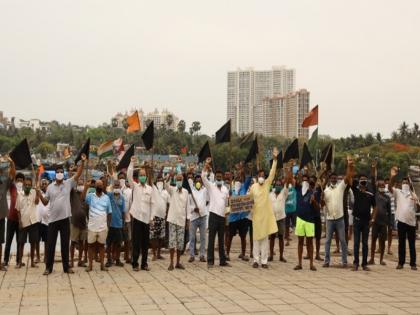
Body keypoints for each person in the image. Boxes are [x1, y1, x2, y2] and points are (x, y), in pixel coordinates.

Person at [37, 154, 86, 275]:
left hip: (65, 219)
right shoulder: (49, 187)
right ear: (55, 174)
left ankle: (66, 267)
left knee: (65, 244)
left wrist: (83, 162)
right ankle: (48, 268)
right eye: (57, 172)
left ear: (63, 174)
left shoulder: (68, 183)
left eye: (61, 172)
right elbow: (45, 202)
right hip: (52, 220)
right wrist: (38, 193)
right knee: (51, 245)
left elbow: (78, 174)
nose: (59, 173)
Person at [249, 147, 279, 269]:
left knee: (265, 240)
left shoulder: (267, 184)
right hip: (256, 216)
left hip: (265, 217)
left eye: (263, 175)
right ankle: (256, 260)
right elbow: (249, 200)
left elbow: (272, 172)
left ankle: (264, 261)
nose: (262, 177)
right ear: (257, 176)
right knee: (256, 240)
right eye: (260, 175)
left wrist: (275, 159)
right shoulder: (253, 187)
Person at [321, 164, 352, 268]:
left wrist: (349, 164)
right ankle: (326, 261)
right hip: (329, 219)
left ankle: (344, 261)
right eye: (332, 178)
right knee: (328, 241)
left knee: (343, 240)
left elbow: (347, 177)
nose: (334, 179)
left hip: (340, 219)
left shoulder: (341, 187)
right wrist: (321, 199)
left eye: (335, 178)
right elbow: (322, 205)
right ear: (329, 179)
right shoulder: (325, 191)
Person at [201, 158, 230, 268]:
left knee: (221, 240)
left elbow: (227, 204)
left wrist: (227, 216)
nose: (218, 178)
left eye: (220, 177)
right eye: (217, 176)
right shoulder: (211, 186)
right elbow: (203, 177)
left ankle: (222, 261)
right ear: (215, 177)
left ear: (222, 178)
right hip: (213, 215)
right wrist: (206, 165)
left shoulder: (225, 189)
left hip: (222, 217)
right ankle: (210, 261)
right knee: (211, 239)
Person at [389, 167, 418, 270]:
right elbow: (389, 188)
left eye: (407, 182)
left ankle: (413, 264)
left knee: (412, 244)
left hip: (411, 222)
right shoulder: (398, 192)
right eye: (404, 182)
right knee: (401, 243)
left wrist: (416, 201)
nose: (405, 183)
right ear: (401, 184)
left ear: (409, 184)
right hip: (401, 221)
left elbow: (418, 208)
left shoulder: (414, 194)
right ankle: (401, 263)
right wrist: (392, 176)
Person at [128, 156, 154, 272]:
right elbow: (129, 175)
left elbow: (153, 204)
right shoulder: (135, 187)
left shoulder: (150, 189)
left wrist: (152, 217)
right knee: (136, 242)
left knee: (145, 243)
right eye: (141, 175)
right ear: (138, 177)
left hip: (146, 219)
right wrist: (132, 163)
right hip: (137, 218)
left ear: (146, 177)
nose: (143, 177)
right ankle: (135, 263)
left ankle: (144, 264)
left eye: (144, 175)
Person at [350, 159, 376, 271]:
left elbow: (375, 207)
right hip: (356, 220)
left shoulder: (371, 193)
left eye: (365, 180)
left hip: (367, 221)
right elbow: (350, 180)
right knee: (356, 243)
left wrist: (373, 218)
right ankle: (356, 263)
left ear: (367, 181)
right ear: (359, 181)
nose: (363, 182)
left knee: (365, 243)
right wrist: (351, 166)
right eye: (361, 180)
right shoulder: (355, 190)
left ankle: (364, 264)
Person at [294, 169, 321, 271]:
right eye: (303, 180)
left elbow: (318, 208)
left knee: (310, 242)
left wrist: (314, 201)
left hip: (310, 220)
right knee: (300, 241)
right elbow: (292, 179)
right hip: (300, 219)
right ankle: (299, 263)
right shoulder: (298, 188)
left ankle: (311, 264)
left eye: (307, 180)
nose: (305, 181)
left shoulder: (313, 192)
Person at [84, 179, 112, 272]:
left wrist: (108, 225)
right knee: (90, 246)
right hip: (92, 226)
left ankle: (102, 265)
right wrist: (86, 187)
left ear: (103, 186)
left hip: (102, 227)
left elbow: (109, 213)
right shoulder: (90, 196)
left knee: (101, 246)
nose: (99, 186)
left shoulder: (107, 198)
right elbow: (83, 200)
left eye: (101, 185)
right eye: (97, 185)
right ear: (95, 186)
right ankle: (90, 265)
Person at [226, 166, 252, 262]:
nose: (238, 181)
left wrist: (243, 172)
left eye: (239, 179)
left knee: (243, 236)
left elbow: (249, 179)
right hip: (233, 218)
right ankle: (227, 253)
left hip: (243, 217)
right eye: (236, 179)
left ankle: (243, 254)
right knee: (230, 236)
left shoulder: (243, 188)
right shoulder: (231, 189)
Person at [165, 173, 189, 270]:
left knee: (180, 243)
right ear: (175, 180)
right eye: (177, 179)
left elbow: (187, 206)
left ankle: (178, 262)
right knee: (172, 242)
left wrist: (188, 220)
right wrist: (169, 176)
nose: (179, 181)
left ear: (182, 181)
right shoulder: (172, 190)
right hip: (172, 219)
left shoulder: (186, 192)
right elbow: (166, 184)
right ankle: (171, 262)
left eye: (180, 179)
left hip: (181, 220)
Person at [16, 177, 40, 268]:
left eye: (29, 185)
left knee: (33, 242)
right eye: (26, 185)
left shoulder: (33, 192)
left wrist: (38, 193)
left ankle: (32, 263)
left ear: (31, 185)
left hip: (33, 221)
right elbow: (18, 210)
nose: (27, 186)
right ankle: (19, 262)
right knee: (21, 243)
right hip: (23, 222)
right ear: (23, 185)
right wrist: (19, 222)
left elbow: (37, 202)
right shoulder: (20, 195)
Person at [369, 177, 391, 266]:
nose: (382, 186)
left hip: (383, 222)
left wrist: (390, 223)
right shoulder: (374, 195)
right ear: (377, 186)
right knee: (373, 240)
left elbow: (389, 211)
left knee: (382, 241)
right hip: (375, 222)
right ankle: (372, 259)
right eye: (380, 185)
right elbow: (373, 181)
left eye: (383, 185)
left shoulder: (387, 197)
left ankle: (381, 259)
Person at [269, 174, 291, 263]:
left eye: (279, 185)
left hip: (281, 218)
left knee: (281, 237)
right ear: (274, 186)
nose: (278, 186)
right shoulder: (270, 194)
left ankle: (281, 256)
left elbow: (287, 183)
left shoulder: (284, 193)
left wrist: (288, 172)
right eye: (276, 184)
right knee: (272, 237)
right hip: (272, 218)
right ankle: (271, 255)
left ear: (281, 186)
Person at [2, 160, 19, 270]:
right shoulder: (10, 185)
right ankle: (5, 261)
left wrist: (12, 163)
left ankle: (17, 261)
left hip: (16, 219)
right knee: (8, 241)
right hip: (10, 218)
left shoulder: (7, 183)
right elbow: (12, 174)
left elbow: (13, 174)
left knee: (18, 241)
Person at [187, 174, 208, 263]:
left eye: (200, 181)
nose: (198, 182)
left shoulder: (205, 190)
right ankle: (192, 255)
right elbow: (188, 205)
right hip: (193, 217)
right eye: (197, 181)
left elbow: (207, 201)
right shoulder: (191, 192)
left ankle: (202, 255)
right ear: (194, 182)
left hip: (203, 216)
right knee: (192, 237)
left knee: (203, 237)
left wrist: (202, 208)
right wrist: (193, 209)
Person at [105, 180, 126, 268]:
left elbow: (123, 212)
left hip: (119, 224)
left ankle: (117, 259)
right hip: (110, 224)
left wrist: (123, 224)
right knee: (109, 243)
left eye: (118, 186)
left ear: (120, 187)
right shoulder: (109, 196)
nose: (116, 187)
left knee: (118, 243)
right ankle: (109, 260)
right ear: (113, 186)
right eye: (115, 186)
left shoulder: (122, 198)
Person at [70, 178, 88, 268]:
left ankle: (80, 260)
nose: (80, 186)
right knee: (73, 242)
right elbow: (70, 185)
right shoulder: (73, 194)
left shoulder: (86, 195)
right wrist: (72, 174)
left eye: (82, 184)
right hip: (74, 222)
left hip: (83, 222)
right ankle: (72, 261)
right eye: (79, 184)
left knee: (82, 242)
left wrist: (86, 187)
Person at [150, 175, 169, 261]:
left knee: (161, 236)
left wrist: (167, 213)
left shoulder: (166, 192)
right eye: (158, 180)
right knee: (154, 236)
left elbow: (168, 203)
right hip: (154, 216)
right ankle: (154, 253)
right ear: (156, 181)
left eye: (161, 180)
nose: (160, 181)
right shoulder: (153, 189)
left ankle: (158, 254)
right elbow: (150, 180)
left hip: (163, 216)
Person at [118, 172, 132, 263]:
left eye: (123, 178)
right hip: (117, 220)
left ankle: (127, 257)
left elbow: (131, 205)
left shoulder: (129, 191)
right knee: (117, 241)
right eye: (120, 178)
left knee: (127, 240)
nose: (122, 180)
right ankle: (117, 258)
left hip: (127, 219)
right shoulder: (115, 191)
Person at [37, 179, 50, 264]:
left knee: (46, 241)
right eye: (43, 184)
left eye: (45, 184)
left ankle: (46, 257)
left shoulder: (50, 195)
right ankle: (37, 257)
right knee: (36, 240)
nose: (44, 185)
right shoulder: (38, 193)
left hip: (47, 221)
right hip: (38, 220)